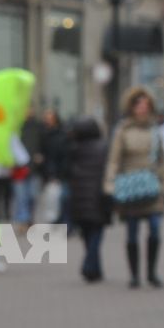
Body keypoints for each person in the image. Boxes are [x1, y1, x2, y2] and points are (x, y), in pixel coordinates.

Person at [103, 86, 164, 289]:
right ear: (131, 107)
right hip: (130, 186)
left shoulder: (155, 130)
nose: (142, 108)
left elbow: (163, 161)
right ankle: (134, 275)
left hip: (152, 184)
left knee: (155, 229)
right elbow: (113, 161)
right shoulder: (123, 130)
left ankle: (152, 272)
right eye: (138, 104)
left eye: (146, 105)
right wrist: (110, 185)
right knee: (132, 232)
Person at [67, 115, 109, 283]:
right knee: (96, 233)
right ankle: (90, 265)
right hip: (98, 196)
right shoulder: (103, 147)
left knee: (86, 233)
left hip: (79, 196)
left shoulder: (74, 148)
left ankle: (94, 268)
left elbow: (67, 170)